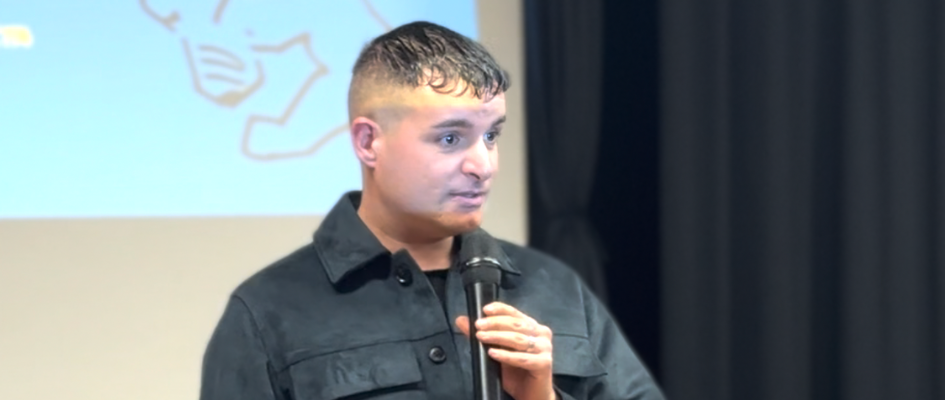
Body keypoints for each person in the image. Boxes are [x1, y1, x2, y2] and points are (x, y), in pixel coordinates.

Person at [200, 21, 666, 400]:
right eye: (450, 138)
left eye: (491, 135)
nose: (483, 165)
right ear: (369, 142)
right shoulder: (268, 312)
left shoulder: (553, 288)